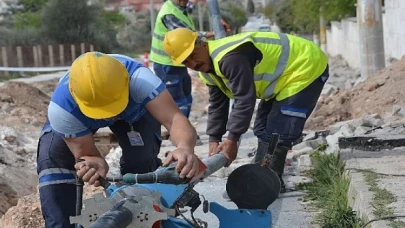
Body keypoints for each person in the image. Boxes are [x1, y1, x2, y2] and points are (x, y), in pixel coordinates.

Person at [36, 52, 200, 228]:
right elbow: (88, 154)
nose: (111, 115)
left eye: (113, 106)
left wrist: (184, 147)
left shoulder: (141, 80)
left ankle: (145, 214)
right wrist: (92, 164)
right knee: (52, 155)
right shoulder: (62, 109)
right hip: (79, 117)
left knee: (142, 163)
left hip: (135, 113)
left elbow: (175, 119)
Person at [162, 28, 329, 193]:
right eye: (185, 61)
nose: (193, 64)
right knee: (262, 128)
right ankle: (263, 177)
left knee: (280, 130)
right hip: (284, 78)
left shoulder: (230, 58)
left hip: (305, 65)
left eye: (192, 55)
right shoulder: (207, 69)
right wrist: (214, 138)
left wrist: (232, 140)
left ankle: (268, 183)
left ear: (203, 45)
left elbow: (244, 99)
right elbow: (218, 104)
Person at [150, 0, 230, 145]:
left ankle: (184, 133)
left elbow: (192, 9)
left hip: (180, 61)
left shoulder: (181, 7)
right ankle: (180, 138)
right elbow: (190, 36)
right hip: (167, 64)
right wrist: (215, 33)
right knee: (178, 102)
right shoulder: (170, 14)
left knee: (187, 98)